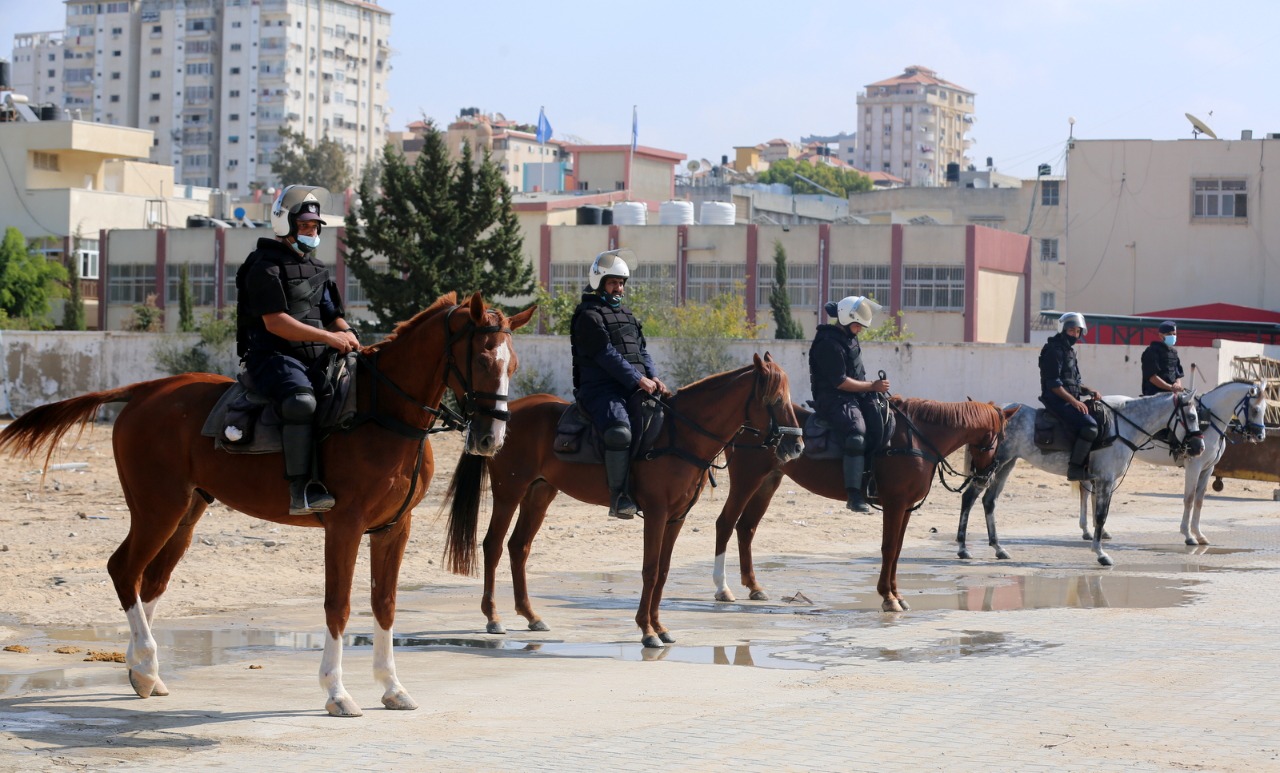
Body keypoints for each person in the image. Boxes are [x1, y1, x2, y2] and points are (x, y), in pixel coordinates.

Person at [235, 185, 359, 515]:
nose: (312, 231)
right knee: (301, 402)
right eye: (305, 225)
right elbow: (276, 322)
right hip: (273, 356)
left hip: (314, 356)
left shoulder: (318, 269)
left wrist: (350, 338)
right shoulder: (264, 268)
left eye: (315, 226)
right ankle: (301, 489)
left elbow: (334, 317)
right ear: (285, 225)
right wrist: (329, 339)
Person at [569, 249, 671, 519]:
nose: (619, 288)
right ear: (599, 282)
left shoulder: (627, 315)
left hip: (632, 387)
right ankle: (620, 496)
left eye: (622, 283)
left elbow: (641, 351)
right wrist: (638, 379)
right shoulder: (588, 316)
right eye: (613, 283)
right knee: (619, 433)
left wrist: (653, 375)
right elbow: (606, 355)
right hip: (600, 390)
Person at [809, 295, 889, 513]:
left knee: (881, 418)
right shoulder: (828, 343)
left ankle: (873, 479)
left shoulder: (848, 336)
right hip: (832, 397)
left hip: (852, 395)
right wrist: (872, 386)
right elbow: (840, 382)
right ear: (845, 319)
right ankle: (853, 495)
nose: (860, 329)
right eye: (857, 325)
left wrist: (873, 390)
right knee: (856, 431)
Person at [1040, 311, 1102, 482]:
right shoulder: (1053, 350)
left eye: (1078, 331)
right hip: (1055, 401)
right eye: (1072, 331)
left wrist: (1088, 390)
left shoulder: (1069, 352)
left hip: (1068, 400)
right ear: (1063, 330)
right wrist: (1074, 402)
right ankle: (1074, 469)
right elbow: (1053, 383)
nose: (1075, 334)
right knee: (1090, 426)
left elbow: (1074, 382)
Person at [1141, 320, 1184, 396]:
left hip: (1171, 396)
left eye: (1174, 334)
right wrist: (1170, 387)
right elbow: (1152, 377)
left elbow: (1177, 375)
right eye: (1169, 334)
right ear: (1161, 335)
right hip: (1154, 396)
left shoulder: (1173, 353)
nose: (1172, 336)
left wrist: (1177, 385)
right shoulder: (1152, 351)